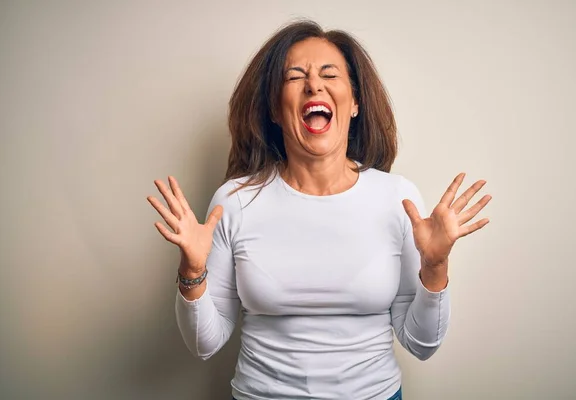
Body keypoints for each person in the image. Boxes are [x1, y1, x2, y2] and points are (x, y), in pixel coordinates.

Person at [147, 20, 491, 400]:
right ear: (276, 110)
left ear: (356, 103)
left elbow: (422, 344)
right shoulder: (235, 200)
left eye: (329, 74)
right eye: (295, 76)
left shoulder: (398, 198)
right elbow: (205, 344)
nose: (313, 84)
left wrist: (435, 267)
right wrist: (192, 272)